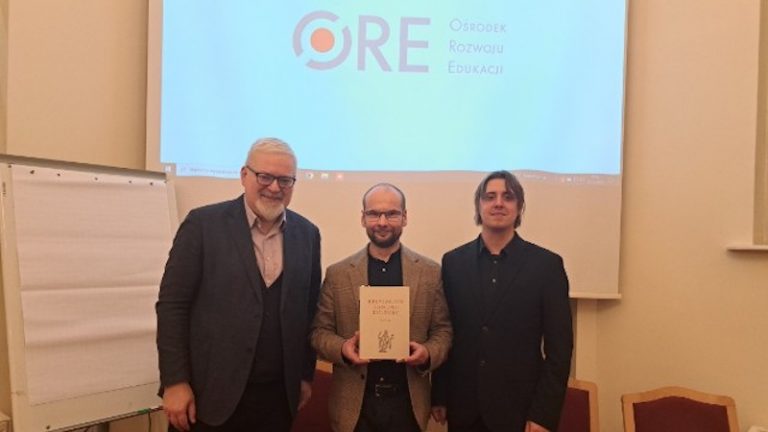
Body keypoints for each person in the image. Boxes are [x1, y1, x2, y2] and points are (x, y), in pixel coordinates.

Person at [156, 138, 321, 432]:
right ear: (244, 175)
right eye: (265, 177)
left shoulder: (307, 234)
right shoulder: (203, 225)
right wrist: (174, 381)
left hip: (276, 401)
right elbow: (172, 306)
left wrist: (305, 375)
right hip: (208, 398)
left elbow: (309, 312)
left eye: (285, 180)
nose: (275, 187)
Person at [431, 170, 573, 432]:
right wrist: (439, 394)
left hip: (520, 412)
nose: (498, 203)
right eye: (490, 197)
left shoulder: (547, 266)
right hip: (464, 409)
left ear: (519, 207)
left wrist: (544, 414)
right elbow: (445, 330)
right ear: (479, 206)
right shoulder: (453, 262)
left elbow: (560, 350)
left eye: (508, 197)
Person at [311, 183, 452, 432]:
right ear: (363, 218)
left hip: (408, 407)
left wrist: (427, 353)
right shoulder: (338, 274)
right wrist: (343, 348)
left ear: (405, 217)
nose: (382, 222)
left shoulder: (430, 273)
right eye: (374, 214)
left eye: (392, 214)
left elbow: (443, 331)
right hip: (354, 409)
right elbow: (319, 333)